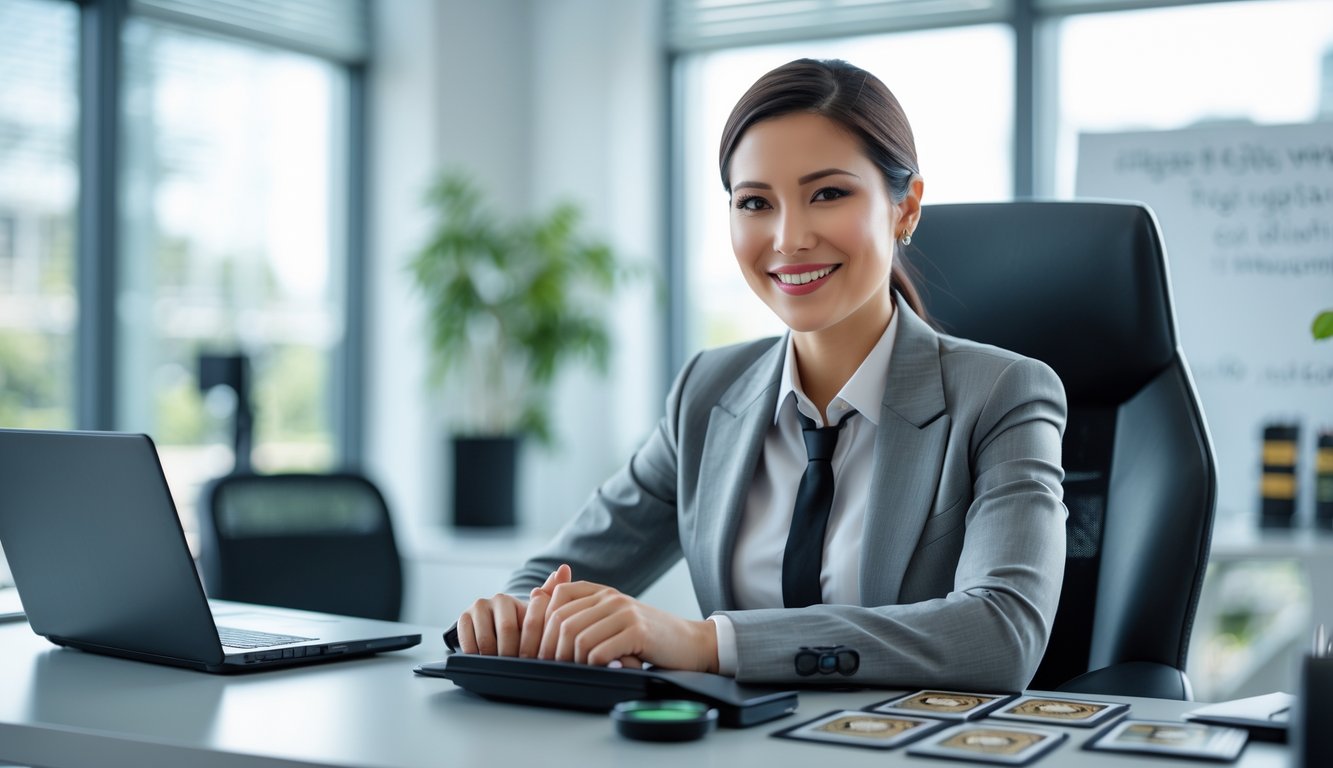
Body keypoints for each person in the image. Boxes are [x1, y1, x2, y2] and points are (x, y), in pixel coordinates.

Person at [453, 58, 1067, 691]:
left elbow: (1002, 634)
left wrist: (706, 642)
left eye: (828, 193)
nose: (788, 237)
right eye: (754, 203)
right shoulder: (707, 393)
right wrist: (518, 617)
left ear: (905, 207)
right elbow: (556, 577)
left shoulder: (1003, 396)